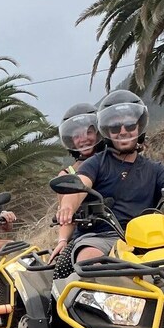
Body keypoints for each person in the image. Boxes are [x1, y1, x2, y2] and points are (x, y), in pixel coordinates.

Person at [57, 90, 164, 263]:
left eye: (130, 126)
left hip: (148, 234)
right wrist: (68, 207)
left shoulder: (153, 168)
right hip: (103, 236)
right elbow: (79, 185)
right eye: (116, 127)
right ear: (107, 131)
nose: (123, 131)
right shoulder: (95, 163)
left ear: (139, 128)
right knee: (88, 259)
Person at [51, 103, 104, 259]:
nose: (84, 139)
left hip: (122, 230)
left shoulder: (112, 161)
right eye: (77, 135)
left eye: (89, 132)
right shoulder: (67, 174)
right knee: (62, 268)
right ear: (71, 140)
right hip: (86, 235)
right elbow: (65, 215)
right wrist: (62, 240)